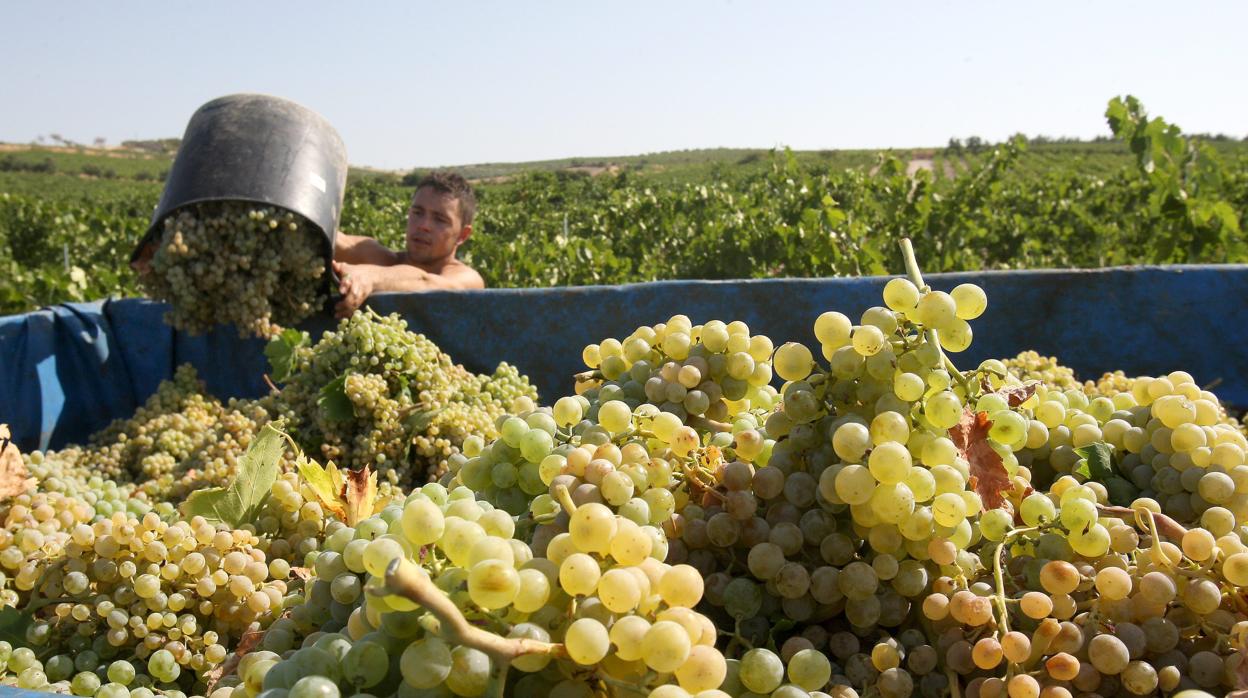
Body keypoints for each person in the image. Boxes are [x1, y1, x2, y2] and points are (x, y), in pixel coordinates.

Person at [332, 171, 484, 318]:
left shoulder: (467, 279)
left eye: (440, 219)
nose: (424, 225)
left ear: (462, 235)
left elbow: (427, 283)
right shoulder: (383, 260)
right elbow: (340, 242)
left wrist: (372, 276)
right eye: (418, 213)